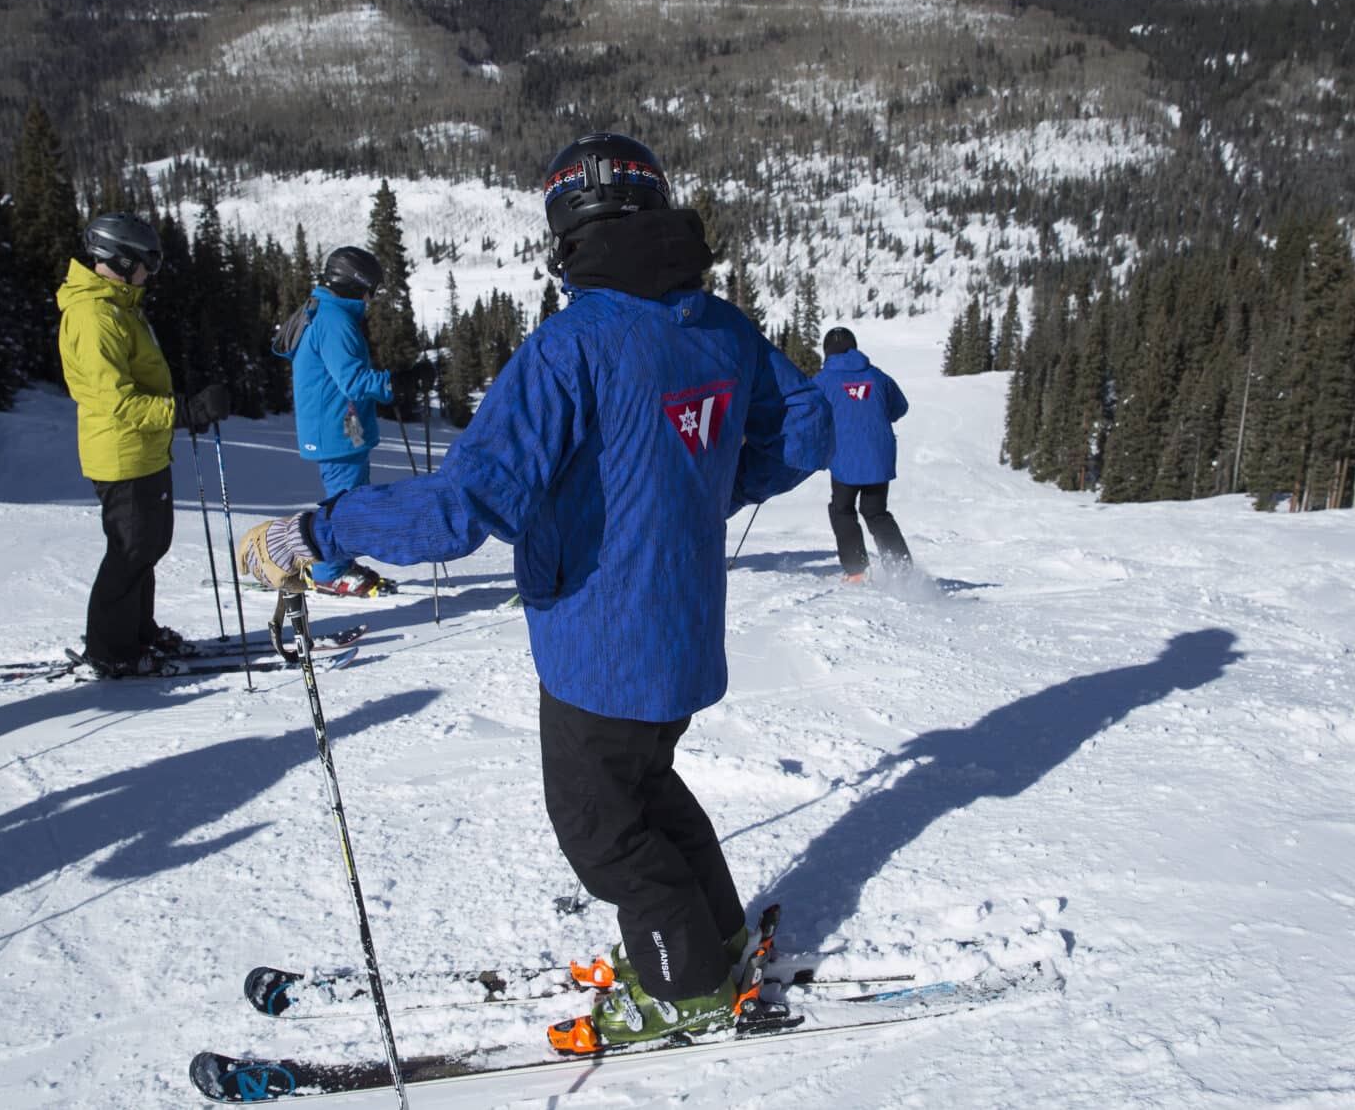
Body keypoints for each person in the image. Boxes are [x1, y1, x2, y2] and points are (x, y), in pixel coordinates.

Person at [241, 132, 832, 1047]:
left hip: (598, 642)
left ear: (567, 230)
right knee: (647, 785)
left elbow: (460, 506)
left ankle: (690, 982)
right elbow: (808, 423)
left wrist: (322, 529)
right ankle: (712, 933)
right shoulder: (718, 324)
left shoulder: (573, 345)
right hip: (680, 632)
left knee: (599, 826)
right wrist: (710, 485)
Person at [56, 211, 229, 676]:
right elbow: (116, 400)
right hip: (122, 453)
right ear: (121, 258)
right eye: (147, 262)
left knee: (147, 547)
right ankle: (112, 651)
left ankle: (138, 632)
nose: (151, 272)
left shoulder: (118, 306)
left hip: (143, 448)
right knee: (130, 552)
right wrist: (183, 412)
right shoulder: (94, 315)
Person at [272, 245, 419, 597]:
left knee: (349, 500)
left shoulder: (323, 310)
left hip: (335, 426)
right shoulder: (335, 321)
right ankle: (328, 571)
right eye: (371, 289)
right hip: (337, 430)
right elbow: (353, 381)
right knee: (347, 504)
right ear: (356, 284)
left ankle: (338, 561)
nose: (372, 297)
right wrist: (394, 383)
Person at [810, 326, 912, 581]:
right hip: (879, 455)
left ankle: (856, 570)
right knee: (876, 512)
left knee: (842, 509)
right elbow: (900, 407)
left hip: (845, 457)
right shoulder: (877, 376)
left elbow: (810, 413)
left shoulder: (823, 380)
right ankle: (901, 571)